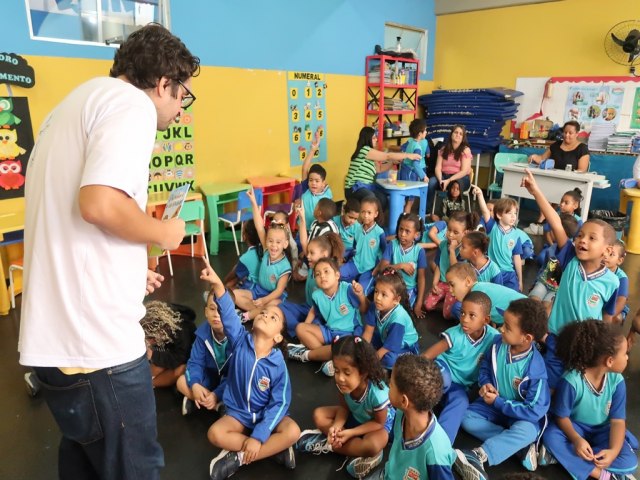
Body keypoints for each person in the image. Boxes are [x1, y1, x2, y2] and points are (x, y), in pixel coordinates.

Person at [19, 24, 199, 479]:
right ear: (163, 83)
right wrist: (162, 231)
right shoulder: (130, 105)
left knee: (84, 463)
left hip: (56, 345)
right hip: (97, 350)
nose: (181, 110)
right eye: (183, 96)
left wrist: (124, 269)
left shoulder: (69, 107)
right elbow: (98, 202)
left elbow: (71, 221)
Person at [521, 168, 619, 390]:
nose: (582, 240)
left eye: (591, 238)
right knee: (546, 386)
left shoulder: (612, 282)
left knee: (574, 389)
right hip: (556, 340)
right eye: (581, 236)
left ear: (607, 250)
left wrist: (603, 346)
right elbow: (556, 222)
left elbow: (607, 316)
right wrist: (535, 191)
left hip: (585, 348)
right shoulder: (570, 259)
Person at [202, 264, 300, 480]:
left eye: (273, 317)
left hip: (266, 417)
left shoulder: (278, 365)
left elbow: (280, 404)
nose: (265, 315)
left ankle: (237, 458)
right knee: (215, 434)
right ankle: (273, 449)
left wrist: (259, 435)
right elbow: (228, 313)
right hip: (239, 414)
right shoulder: (240, 340)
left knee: (293, 431)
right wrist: (218, 284)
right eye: (263, 312)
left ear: (278, 338)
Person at [455, 299, 550, 479]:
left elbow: (534, 411)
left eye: (507, 327)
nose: (501, 329)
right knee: (466, 418)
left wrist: (498, 402)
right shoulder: (498, 344)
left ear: (527, 338)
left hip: (519, 415)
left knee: (528, 431)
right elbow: (485, 367)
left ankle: (478, 455)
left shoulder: (535, 369)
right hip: (493, 406)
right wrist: (485, 384)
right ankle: (517, 446)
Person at [541, 320, 638, 480]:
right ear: (609, 361)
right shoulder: (571, 381)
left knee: (630, 462)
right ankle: (601, 474)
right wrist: (577, 439)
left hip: (603, 430)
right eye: (625, 354)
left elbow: (617, 422)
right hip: (575, 427)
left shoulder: (617, 382)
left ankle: (568, 460)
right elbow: (561, 417)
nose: (627, 358)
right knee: (551, 436)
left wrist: (613, 452)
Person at [296, 336, 394, 479]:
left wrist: (351, 433)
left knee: (373, 445)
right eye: (336, 370)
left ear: (363, 372)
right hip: (355, 415)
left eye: (347, 373)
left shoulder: (378, 395)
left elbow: (378, 423)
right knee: (319, 415)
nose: (340, 378)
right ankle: (351, 449)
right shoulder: (343, 385)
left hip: (376, 426)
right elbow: (344, 407)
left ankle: (329, 445)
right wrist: (336, 427)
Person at [423, 291, 499, 443]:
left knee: (461, 402)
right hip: (442, 370)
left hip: (459, 385)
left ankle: (441, 446)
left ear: (486, 320)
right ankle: (420, 407)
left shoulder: (494, 338)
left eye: (472, 315)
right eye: (462, 313)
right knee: (444, 379)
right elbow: (427, 356)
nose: (464, 319)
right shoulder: (455, 334)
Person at [365, 355, 456, 480]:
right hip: (389, 474)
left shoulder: (436, 453)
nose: (387, 388)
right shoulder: (402, 414)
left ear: (404, 401)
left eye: (390, 385)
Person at [287, 258, 366, 376]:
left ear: (337, 275)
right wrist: (303, 335)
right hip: (329, 331)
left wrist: (361, 295)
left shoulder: (347, 289)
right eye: (318, 274)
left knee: (345, 349)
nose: (322, 276)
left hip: (349, 333)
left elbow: (364, 310)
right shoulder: (317, 295)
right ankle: (326, 359)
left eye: (326, 272)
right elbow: (313, 312)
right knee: (300, 328)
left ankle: (309, 355)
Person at [234, 189, 292, 323]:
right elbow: (259, 225)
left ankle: (246, 316)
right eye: (270, 241)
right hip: (258, 290)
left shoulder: (285, 266)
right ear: (266, 241)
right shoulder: (266, 249)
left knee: (273, 305)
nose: (273, 245)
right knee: (235, 295)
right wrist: (254, 203)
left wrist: (264, 300)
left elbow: (278, 291)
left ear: (285, 244)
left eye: (278, 242)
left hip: (272, 297)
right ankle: (256, 312)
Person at [176, 289, 231, 417]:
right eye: (212, 309)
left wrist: (217, 394)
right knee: (181, 382)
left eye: (221, 310)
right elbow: (195, 362)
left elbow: (236, 375)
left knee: (240, 389)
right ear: (206, 312)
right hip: (209, 377)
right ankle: (217, 407)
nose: (217, 314)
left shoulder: (238, 338)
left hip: (229, 383)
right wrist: (195, 384)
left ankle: (198, 401)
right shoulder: (202, 335)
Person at [279, 233, 344, 338]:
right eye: (308, 252)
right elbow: (304, 241)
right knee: (281, 306)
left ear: (324, 255)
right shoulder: (312, 266)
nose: (307, 256)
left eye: (311, 253)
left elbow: (321, 310)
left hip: (319, 314)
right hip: (307, 307)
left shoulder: (327, 278)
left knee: (315, 325)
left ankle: (300, 331)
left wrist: (307, 323)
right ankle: (298, 331)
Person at [344, 126, 420, 211]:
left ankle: (375, 221)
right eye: (373, 138)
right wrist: (408, 155)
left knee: (382, 199)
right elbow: (387, 155)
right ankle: (367, 220)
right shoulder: (364, 150)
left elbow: (379, 169)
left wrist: (392, 162)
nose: (376, 140)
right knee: (371, 199)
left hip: (366, 187)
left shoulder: (370, 154)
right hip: (354, 188)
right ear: (367, 139)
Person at [424, 211, 479, 319]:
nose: (450, 234)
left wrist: (452, 250)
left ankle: (447, 304)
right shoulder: (443, 244)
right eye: (449, 230)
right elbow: (439, 266)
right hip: (443, 282)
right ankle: (444, 301)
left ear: (465, 233)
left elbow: (457, 271)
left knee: (447, 314)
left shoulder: (463, 251)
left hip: (455, 286)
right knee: (427, 305)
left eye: (455, 232)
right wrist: (434, 283)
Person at [362, 269, 420, 370]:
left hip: (405, 347)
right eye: (376, 291)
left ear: (396, 300)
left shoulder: (398, 319)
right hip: (385, 339)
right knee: (360, 337)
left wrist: (370, 361)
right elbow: (368, 332)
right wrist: (362, 351)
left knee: (390, 360)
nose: (378, 298)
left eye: (384, 295)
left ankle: (407, 359)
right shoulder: (375, 306)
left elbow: (388, 347)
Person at [376, 213, 427, 316]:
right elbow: (382, 268)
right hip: (391, 287)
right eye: (401, 229)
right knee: (382, 308)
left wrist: (419, 303)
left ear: (416, 235)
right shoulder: (392, 245)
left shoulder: (419, 251)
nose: (402, 234)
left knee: (400, 313)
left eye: (407, 231)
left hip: (408, 289)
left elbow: (421, 278)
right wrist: (400, 266)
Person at [446, 262, 526, 327]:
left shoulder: (476, 294)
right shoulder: (481, 287)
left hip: (525, 317)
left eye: (452, 285)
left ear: (468, 282)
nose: (450, 290)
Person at [475, 189, 524, 292]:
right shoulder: (492, 227)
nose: (513, 216)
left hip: (509, 273)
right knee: (494, 296)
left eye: (515, 213)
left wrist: (520, 280)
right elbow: (484, 210)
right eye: (509, 213)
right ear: (499, 215)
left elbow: (517, 258)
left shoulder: (516, 235)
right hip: (493, 271)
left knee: (513, 298)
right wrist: (480, 194)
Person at [141, 301, 196, 388]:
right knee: (158, 363)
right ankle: (141, 379)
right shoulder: (160, 317)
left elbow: (179, 358)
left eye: (153, 338)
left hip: (184, 359)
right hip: (172, 351)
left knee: (180, 369)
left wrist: (153, 355)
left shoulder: (182, 331)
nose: (150, 341)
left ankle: (146, 384)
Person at [339, 197, 387, 295]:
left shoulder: (379, 232)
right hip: (356, 264)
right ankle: (350, 283)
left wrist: (378, 269)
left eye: (369, 213)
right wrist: (347, 258)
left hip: (370, 269)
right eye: (363, 212)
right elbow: (355, 248)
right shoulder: (357, 229)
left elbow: (385, 253)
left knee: (361, 292)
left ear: (376, 214)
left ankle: (368, 284)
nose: (365, 216)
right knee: (337, 275)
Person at [427, 125, 473, 214]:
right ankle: (427, 210)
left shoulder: (465, 150)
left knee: (455, 185)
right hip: (444, 176)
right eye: (456, 132)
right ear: (451, 134)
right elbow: (438, 167)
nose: (458, 135)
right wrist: (440, 180)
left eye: (461, 134)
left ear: (463, 138)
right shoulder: (443, 149)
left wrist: (449, 180)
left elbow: (464, 171)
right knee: (432, 182)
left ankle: (455, 213)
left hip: (461, 178)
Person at [398, 118, 428, 213]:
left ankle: (400, 217)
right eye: (425, 131)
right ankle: (406, 218)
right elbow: (416, 164)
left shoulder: (409, 142)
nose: (426, 132)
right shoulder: (418, 147)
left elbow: (402, 150)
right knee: (410, 200)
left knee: (402, 197)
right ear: (420, 134)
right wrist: (423, 176)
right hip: (411, 175)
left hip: (403, 171)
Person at [223, 219, 262, 290]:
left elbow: (232, 274)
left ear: (244, 236)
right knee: (237, 277)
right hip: (264, 286)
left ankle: (215, 295)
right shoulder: (264, 249)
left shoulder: (245, 258)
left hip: (255, 290)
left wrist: (221, 283)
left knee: (228, 285)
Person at [604, 240, 630, 325]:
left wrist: (603, 319)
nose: (605, 256)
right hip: (602, 302)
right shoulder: (596, 267)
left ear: (619, 260)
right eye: (605, 251)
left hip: (616, 305)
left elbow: (620, 301)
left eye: (611, 254)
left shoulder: (622, 278)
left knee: (616, 318)